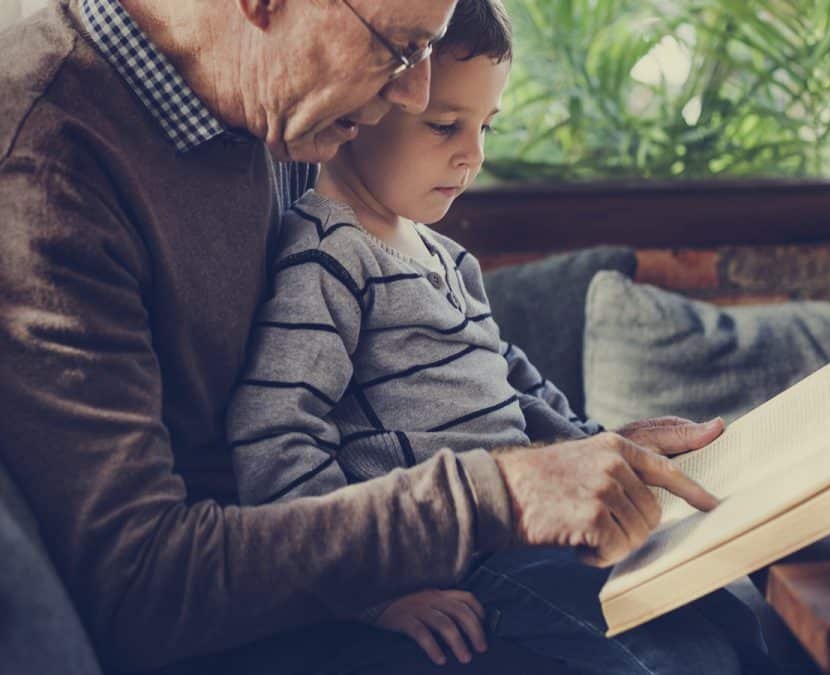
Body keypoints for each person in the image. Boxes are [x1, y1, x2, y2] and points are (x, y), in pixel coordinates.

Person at [0, 0, 759, 673]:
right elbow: (141, 587)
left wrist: (599, 449)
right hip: (262, 618)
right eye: (398, 49)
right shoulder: (47, 161)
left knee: (719, 615)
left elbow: (455, 344)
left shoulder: (277, 107)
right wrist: (496, 491)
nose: (413, 93)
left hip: (381, 558)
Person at [226, 2, 772, 674]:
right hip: (465, 556)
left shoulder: (448, 259)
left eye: (486, 126)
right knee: (671, 657)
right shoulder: (328, 257)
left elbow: (516, 381)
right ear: (368, 104)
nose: (473, 154)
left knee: (730, 612)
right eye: (446, 125)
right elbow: (274, 438)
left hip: (534, 527)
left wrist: (606, 444)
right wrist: (374, 596)